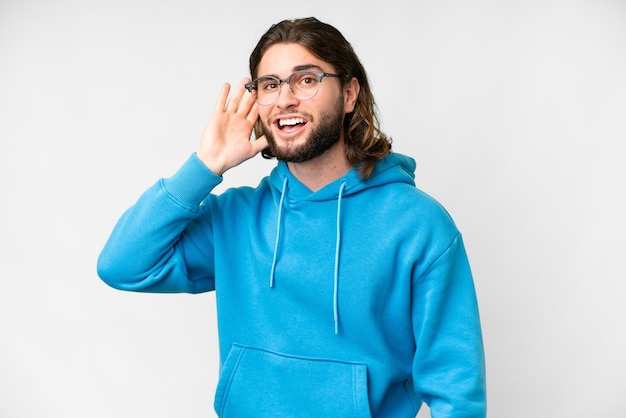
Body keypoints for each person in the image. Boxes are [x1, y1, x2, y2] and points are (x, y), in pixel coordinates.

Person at [97, 16, 486, 418]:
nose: (284, 99)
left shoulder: (419, 225)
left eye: (305, 80)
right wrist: (205, 165)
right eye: (269, 85)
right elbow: (122, 265)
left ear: (350, 93)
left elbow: (456, 388)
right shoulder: (235, 218)